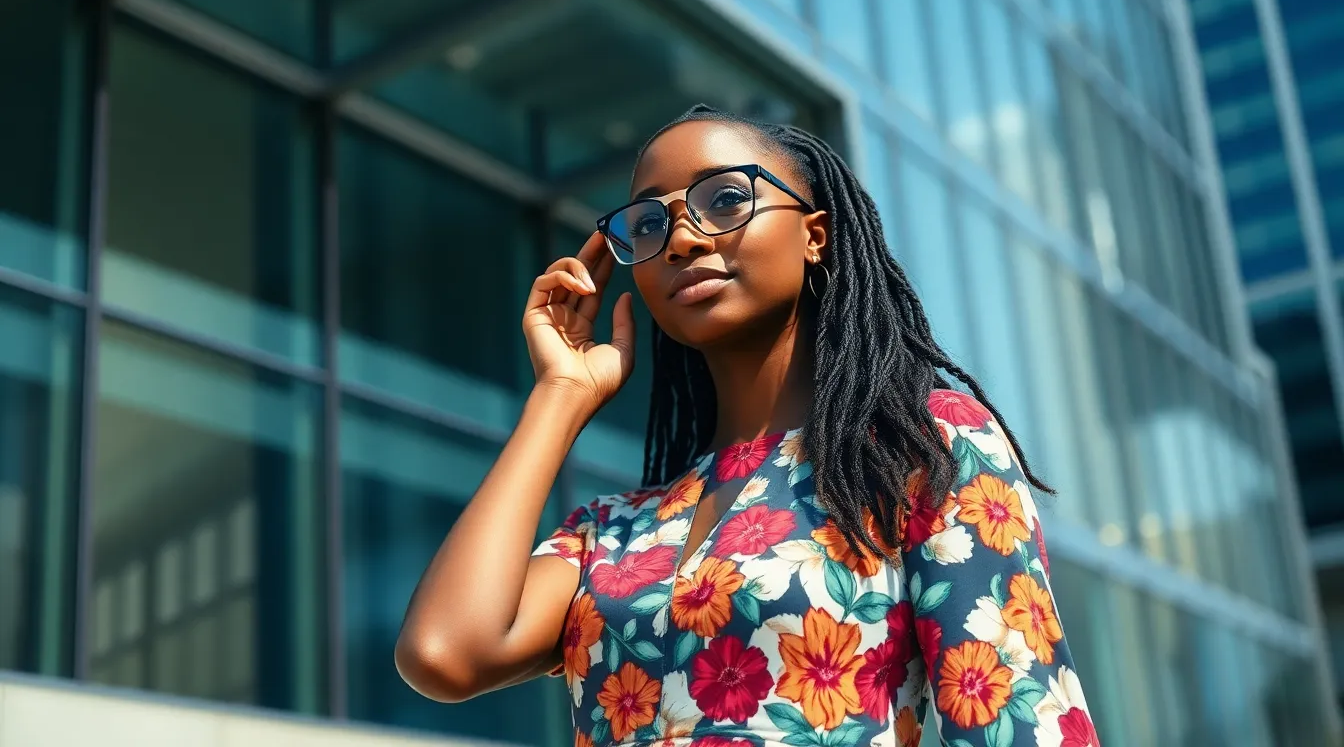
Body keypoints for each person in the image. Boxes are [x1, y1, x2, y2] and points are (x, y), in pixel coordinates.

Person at [395, 105, 1099, 747]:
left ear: (814, 235)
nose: (681, 239)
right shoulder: (610, 535)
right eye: (648, 224)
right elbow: (445, 654)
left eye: (725, 199)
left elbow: (1021, 719)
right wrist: (559, 395)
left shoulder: (921, 447)